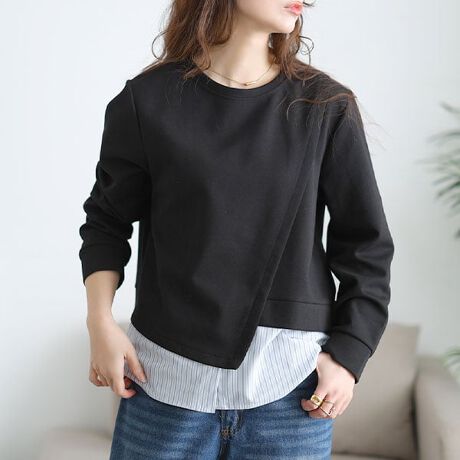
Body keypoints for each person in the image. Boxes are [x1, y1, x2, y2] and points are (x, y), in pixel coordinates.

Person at [79, 1, 395, 458]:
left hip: (291, 394)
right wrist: (100, 322)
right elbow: (106, 221)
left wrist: (349, 355)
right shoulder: (147, 101)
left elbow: (366, 245)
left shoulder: (325, 107)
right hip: (165, 385)